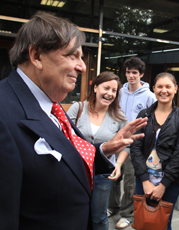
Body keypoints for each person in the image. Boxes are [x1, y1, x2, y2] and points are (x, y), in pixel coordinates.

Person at [0, 12, 148, 230]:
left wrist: (104, 149)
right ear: (37, 56)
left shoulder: (52, 107)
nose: (83, 66)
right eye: (72, 56)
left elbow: (66, 162)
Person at [67, 71, 129, 230]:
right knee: (74, 212)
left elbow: (126, 145)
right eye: (106, 88)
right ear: (95, 87)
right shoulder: (78, 108)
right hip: (77, 170)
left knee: (99, 216)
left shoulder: (119, 117)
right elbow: (63, 136)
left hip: (103, 173)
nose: (110, 93)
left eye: (114, 90)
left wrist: (119, 164)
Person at [131, 72, 179, 230]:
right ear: (153, 89)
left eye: (168, 86)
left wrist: (163, 185)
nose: (164, 90)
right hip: (144, 180)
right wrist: (144, 180)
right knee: (143, 223)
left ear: (176, 89)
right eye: (160, 86)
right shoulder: (144, 114)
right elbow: (136, 147)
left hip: (169, 183)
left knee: (163, 224)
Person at [108, 56, 156, 229]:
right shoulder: (119, 91)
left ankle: (127, 214)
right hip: (116, 139)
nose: (131, 76)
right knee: (113, 175)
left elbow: (153, 121)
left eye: (134, 72)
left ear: (141, 74)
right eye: (128, 72)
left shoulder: (150, 96)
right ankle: (112, 206)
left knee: (129, 180)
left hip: (134, 143)